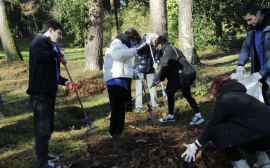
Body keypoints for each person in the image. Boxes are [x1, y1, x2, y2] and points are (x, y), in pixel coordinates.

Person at [181, 77, 270, 168]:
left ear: (217, 89)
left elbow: (213, 123)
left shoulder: (226, 99)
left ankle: (241, 165)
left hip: (259, 139)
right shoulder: (246, 96)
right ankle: (264, 161)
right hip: (267, 138)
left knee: (214, 131)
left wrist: (195, 145)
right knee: (255, 127)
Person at [27, 20, 77, 168]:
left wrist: (66, 82)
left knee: (48, 128)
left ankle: (44, 153)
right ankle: (41, 163)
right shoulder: (39, 41)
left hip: (48, 94)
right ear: (50, 30)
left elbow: (53, 75)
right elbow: (38, 56)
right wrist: (56, 54)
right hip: (40, 95)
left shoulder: (50, 46)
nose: (60, 37)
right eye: (59, 33)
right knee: (42, 130)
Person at [103, 28, 151, 138]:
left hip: (122, 81)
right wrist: (136, 50)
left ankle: (118, 133)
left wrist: (136, 74)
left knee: (121, 110)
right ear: (132, 39)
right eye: (134, 44)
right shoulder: (117, 41)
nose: (133, 46)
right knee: (117, 109)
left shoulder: (124, 46)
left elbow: (124, 69)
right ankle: (113, 134)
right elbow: (116, 54)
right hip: (115, 80)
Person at [151, 35, 204, 125]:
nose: (156, 48)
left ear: (161, 44)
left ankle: (199, 116)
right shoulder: (165, 51)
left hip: (183, 75)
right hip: (175, 77)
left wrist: (156, 80)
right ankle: (171, 116)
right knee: (170, 94)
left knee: (187, 95)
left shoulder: (169, 50)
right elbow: (164, 66)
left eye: (157, 46)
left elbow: (165, 68)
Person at [236, 2, 270, 106]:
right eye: (246, 21)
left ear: (258, 13)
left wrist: (262, 72)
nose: (248, 23)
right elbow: (246, 48)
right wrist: (240, 65)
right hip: (265, 77)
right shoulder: (253, 30)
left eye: (250, 19)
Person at [133, 33, 161, 112]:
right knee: (139, 88)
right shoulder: (142, 42)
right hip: (140, 69)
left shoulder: (154, 45)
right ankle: (138, 107)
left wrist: (157, 62)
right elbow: (137, 50)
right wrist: (145, 44)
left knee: (153, 86)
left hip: (150, 69)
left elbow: (157, 54)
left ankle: (155, 104)